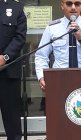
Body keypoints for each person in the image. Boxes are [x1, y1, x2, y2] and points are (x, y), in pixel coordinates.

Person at [35, 0, 81, 90]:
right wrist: (41, 77)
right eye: (69, 4)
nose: (73, 7)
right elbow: (41, 55)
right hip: (59, 80)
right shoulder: (52, 28)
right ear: (62, 6)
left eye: (77, 4)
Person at [0, 0, 27, 140]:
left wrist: (5, 57)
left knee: (12, 121)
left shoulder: (16, 8)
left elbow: (20, 36)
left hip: (8, 71)